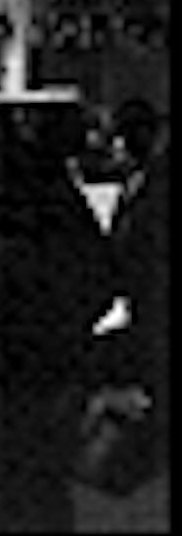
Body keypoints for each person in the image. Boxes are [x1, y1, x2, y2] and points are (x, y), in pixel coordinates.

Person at [0, 93, 115, 532]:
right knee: (37, 497)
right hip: (38, 380)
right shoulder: (50, 196)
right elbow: (99, 278)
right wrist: (65, 333)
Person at [101, 98, 169, 474]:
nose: (118, 147)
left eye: (123, 137)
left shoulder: (159, 179)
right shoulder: (138, 178)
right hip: (141, 297)